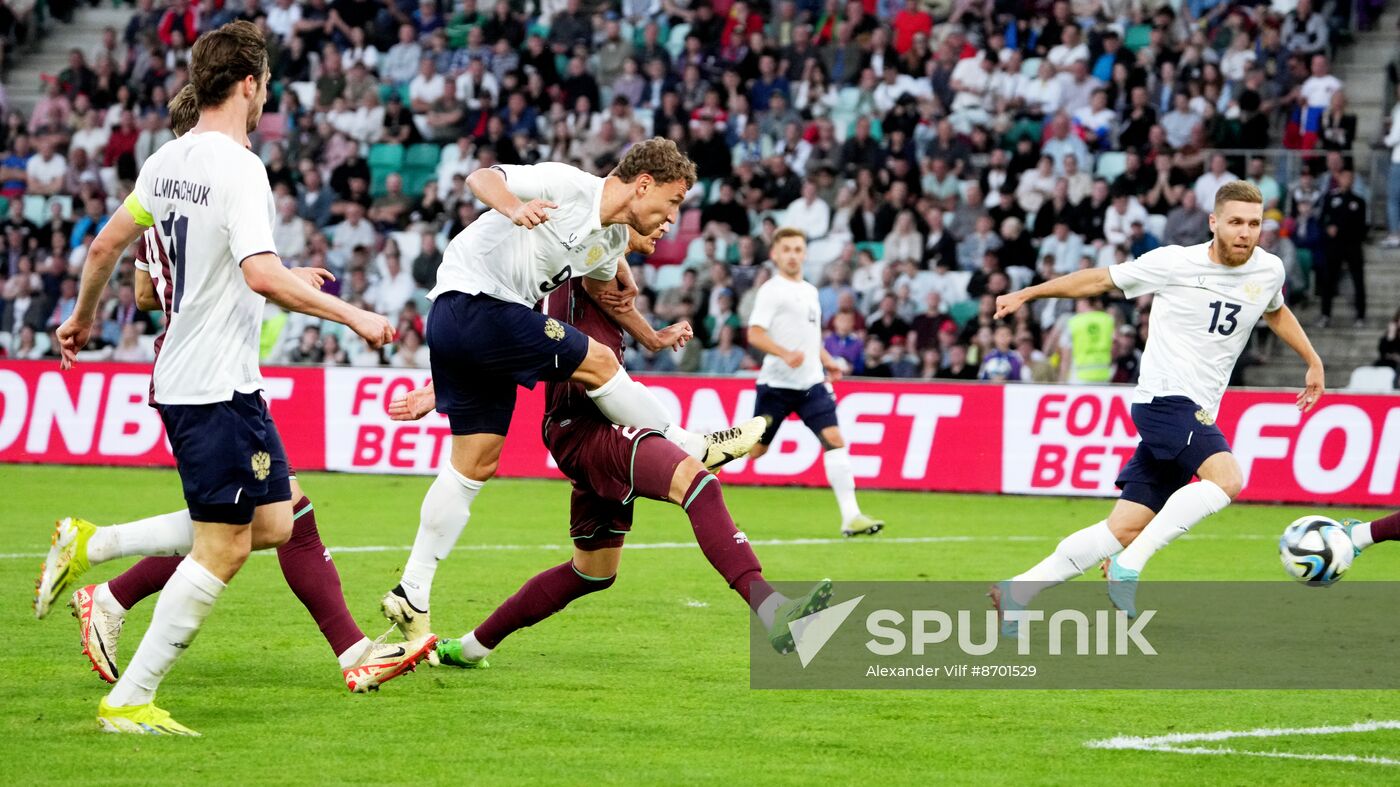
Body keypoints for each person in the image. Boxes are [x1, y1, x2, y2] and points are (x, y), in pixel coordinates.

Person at [41, 21, 397, 736]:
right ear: (248, 84)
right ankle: (130, 696)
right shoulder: (240, 168)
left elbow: (111, 244)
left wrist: (81, 317)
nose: (266, 96)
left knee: (273, 519)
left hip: (207, 378)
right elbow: (258, 274)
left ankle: (95, 545)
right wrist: (351, 313)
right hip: (213, 387)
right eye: (265, 85)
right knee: (227, 544)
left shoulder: (165, 161)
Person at [385, 225, 832, 667]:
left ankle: (468, 648)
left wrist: (649, 331)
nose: (665, 227)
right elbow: (534, 311)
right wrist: (436, 385)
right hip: (583, 424)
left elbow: (527, 325)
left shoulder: (588, 262)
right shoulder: (586, 249)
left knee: (593, 572)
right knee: (698, 483)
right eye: (661, 212)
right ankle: (776, 613)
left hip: (597, 421)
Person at [378, 139, 767, 644]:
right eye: (672, 202)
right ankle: (691, 444)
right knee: (599, 362)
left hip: (464, 323)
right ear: (643, 185)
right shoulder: (569, 186)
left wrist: (653, 336)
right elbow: (481, 177)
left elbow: (612, 296)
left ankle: (413, 591)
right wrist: (515, 208)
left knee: (474, 464)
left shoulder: (605, 242)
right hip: (479, 301)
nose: (674, 216)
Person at [988, 181, 1325, 629]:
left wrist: (1313, 359)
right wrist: (1028, 293)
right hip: (1164, 400)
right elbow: (1098, 279)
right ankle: (1131, 566)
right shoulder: (1174, 262)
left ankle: (1018, 591)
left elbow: (1275, 310)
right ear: (1214, 222)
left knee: (1121, 529)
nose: (1246, 232)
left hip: (1197, 409)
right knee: (1228, 479)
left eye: (1254, 223)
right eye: (1236, 222)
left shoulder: (1268, 270)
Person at [745, 228, 884, 537]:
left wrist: (827, 360)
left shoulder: (810, 291)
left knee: (834, 439)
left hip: (810, 385)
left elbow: (811, 337)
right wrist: (783, 354)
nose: (793, 254)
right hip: (776, 386)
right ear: (775, 255)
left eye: (798, 249)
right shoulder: (772, 289)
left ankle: (852, 517)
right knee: (755, 451)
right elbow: (754, 333)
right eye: (787, 249)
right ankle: (706, 452)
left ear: (805, 254)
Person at [1318, 169, 1368, 328]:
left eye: (1349, 178)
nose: (1346, 180)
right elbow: (1321, 219)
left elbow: (1362, 226)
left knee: (1358, 280)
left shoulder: (1359, 201)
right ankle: (1325, 315)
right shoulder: (1330, 197)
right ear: (1338, 178)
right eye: (1344, 176)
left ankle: (1360, 316)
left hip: (1352, 246)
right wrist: (1328, 228)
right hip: (1334, 246)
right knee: (1328, 280)